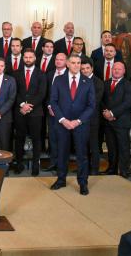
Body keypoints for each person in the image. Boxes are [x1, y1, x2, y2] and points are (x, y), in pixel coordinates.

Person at [50, 54, 96, 195]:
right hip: (62, 124)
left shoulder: (87, 81)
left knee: (82, 154)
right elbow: (54, 102)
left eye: (78, 63)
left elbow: (91, 106)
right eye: (73, 62)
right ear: (67, 64)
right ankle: (61, 180)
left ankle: (83, 183)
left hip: (80, 124)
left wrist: (77, 121)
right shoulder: (58, 80)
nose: (77, 65)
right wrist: (63, 120)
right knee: (62, 152)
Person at [12, 48, 46, 176]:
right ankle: (19, 164)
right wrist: (22, 105)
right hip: (20, 111)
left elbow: (42, 93)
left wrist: (29, 106)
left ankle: (35, 165)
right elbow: (14, 92)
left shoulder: (41, 74)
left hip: (35, 112)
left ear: (35, 58)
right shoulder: (16, 73)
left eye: (30, 57)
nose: (28, 59)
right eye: (25, 57)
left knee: (36, 139)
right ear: (23, 58)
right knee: (19, 138)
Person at [102, 61, 131, 178]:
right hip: (107, 121)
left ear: (124, 71)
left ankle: (124, 170)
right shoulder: (105, 83)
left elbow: (127, 103)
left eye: (119, 69)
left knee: (123, 147)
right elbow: (101, 101)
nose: (116, 71)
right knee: (111, 147)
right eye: (114, 68)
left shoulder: (129, 85)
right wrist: (106, 112)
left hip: (122, 121)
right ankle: (112, 169)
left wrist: (112, 113)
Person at [44, 53, 67, 173]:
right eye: (57, 59)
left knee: (63, 139)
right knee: (52, 138)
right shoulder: (49, 74)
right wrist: (49, 106)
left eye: (61, 59)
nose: (58, 61)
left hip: (65, 114)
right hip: (51, 113)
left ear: (66, 61)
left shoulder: (70, 74)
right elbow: (47, 93)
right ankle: (53, 162)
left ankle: (62, 164)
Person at [81, 57, 104, 175]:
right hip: (79, 119)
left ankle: (94, 169)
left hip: (92, 119)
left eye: (87, 68)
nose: (85, 71)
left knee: (93, 145)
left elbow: (94, 102)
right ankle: (84, 168)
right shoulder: (79, 80)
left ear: (92, 69)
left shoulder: (98, 82)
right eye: (83, 69)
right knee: (82, 145)